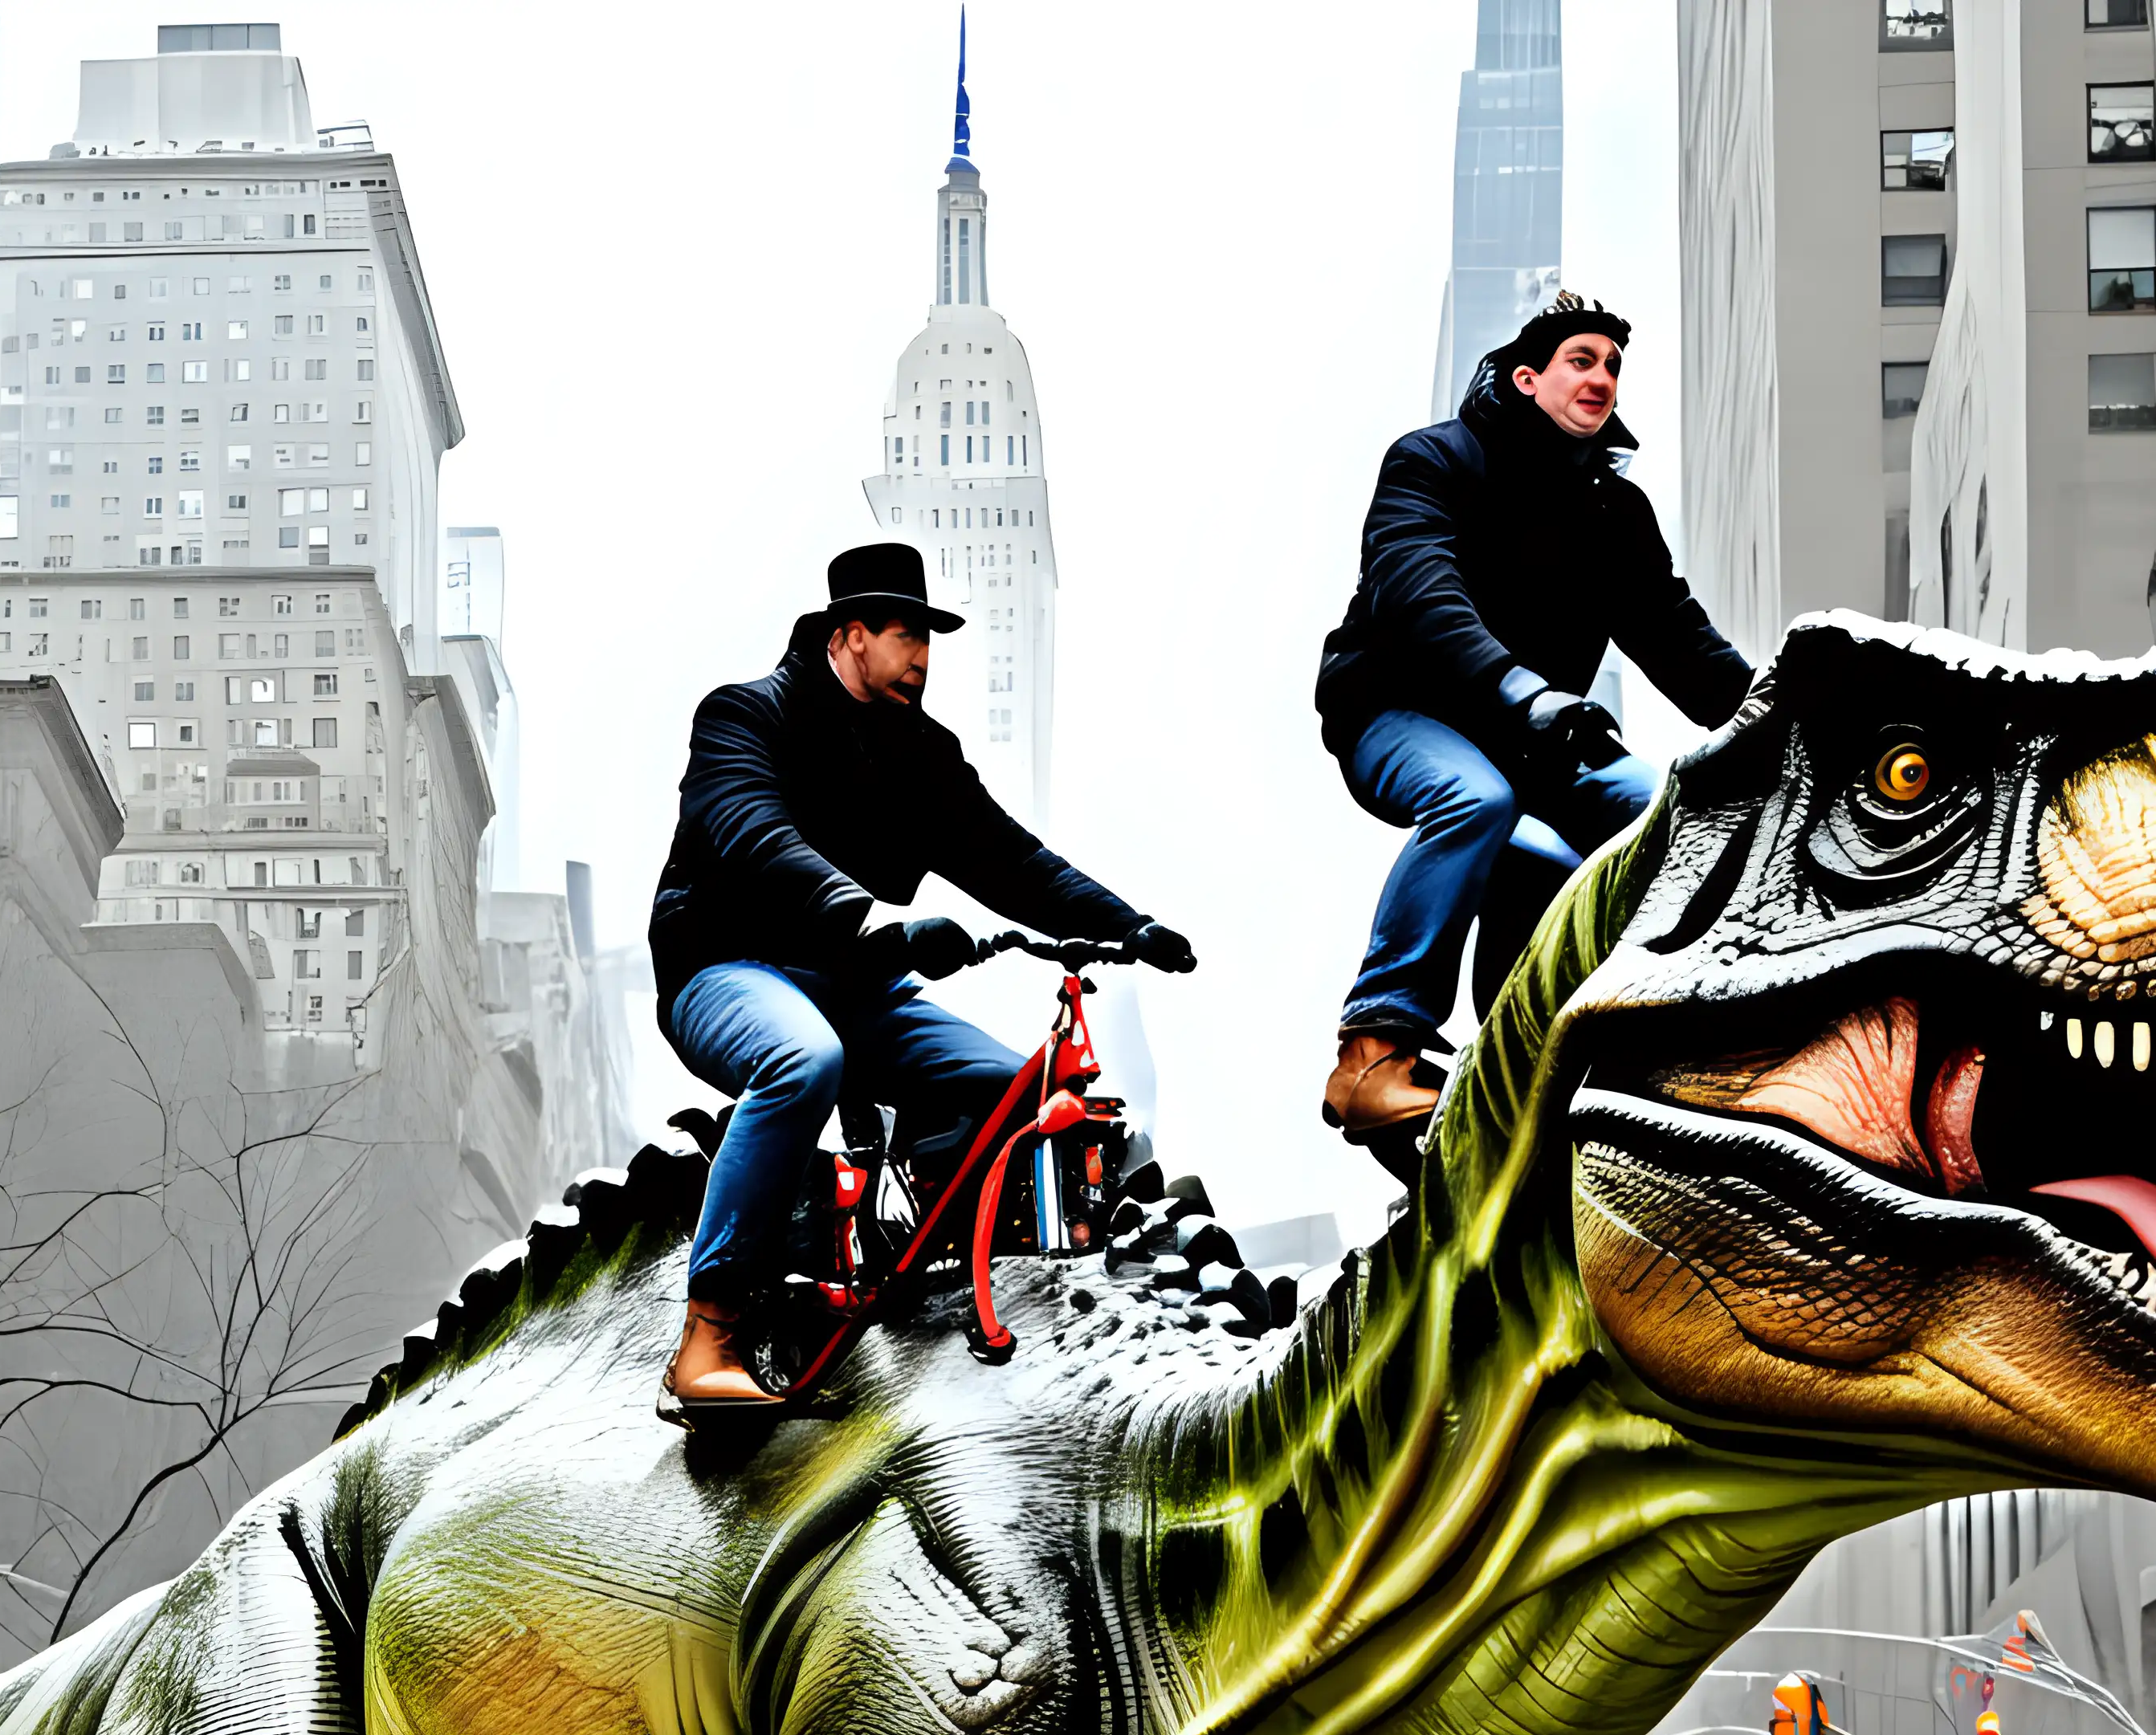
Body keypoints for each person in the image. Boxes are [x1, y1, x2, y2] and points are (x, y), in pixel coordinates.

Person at [646, 540, 1194, 1411]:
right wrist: (872, 920)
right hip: (728, 968)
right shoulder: (744, 717)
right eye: (906, 635)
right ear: (850, 634)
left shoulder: (920, 753)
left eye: (930, 639)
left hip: (858, 985)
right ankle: (707, 1336)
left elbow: (1010, 860)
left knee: (1021, 1091)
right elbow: (755, 836)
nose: (923, 658)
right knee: (802, 1061)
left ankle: (924, 1270)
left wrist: (1125, 924)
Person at [1309, 291, 1755, 1161]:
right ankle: (1373, 1049)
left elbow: (1675, 637)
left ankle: (1573, 1055)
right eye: (1580, 360)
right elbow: (1417, 588)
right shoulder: (1435, 461)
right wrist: (1519, 690)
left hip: (1539, 740)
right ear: (1526, 378)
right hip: (1403, 713)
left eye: (1612, 366)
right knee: (1471, 801)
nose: (1601, 377)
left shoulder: (1612, 514)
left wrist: (1778, 720)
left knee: (1662, 818)